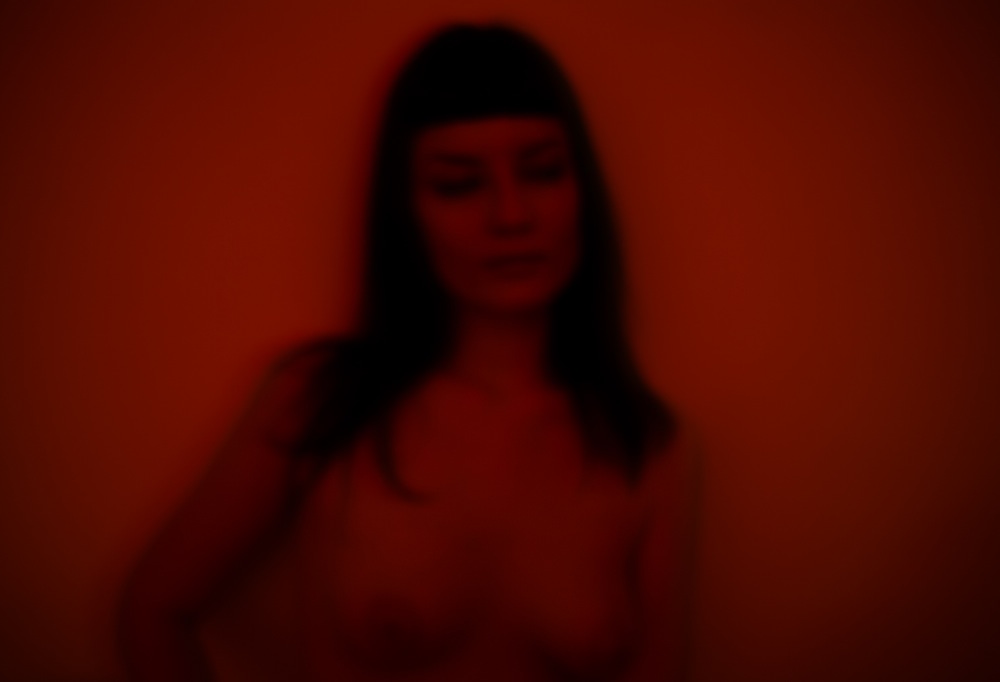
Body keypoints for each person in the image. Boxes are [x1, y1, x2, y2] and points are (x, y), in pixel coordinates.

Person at [118, 23, 696, 682]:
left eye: (542, 171)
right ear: (406, 210)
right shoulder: (320, 403)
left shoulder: (648, 445)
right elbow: (153, 609)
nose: (511, 215)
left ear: (581, 189)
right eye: (458, 184)